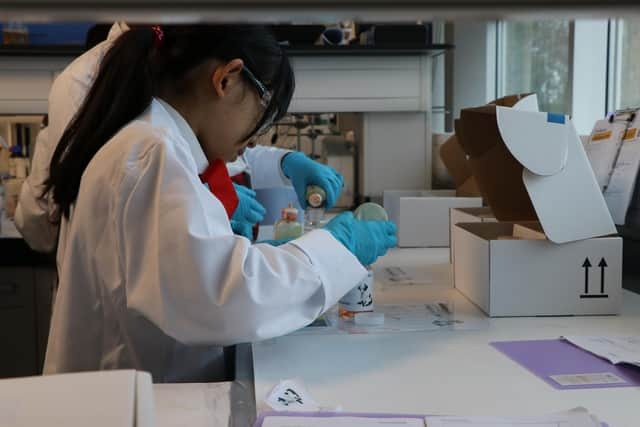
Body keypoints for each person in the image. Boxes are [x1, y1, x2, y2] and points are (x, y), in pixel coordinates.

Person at [42, 24, 397, 382]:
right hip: (128, 405)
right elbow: (228, 300)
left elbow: (203, 276)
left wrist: (257, 255)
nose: (257, 141)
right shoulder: (153, 153)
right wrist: (337, 249)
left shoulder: (151, 139)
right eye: (263, 118)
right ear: (227, 80)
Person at [15, 22, 343, 251]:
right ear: (228, 79)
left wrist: (284, 162)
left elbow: (202, 144)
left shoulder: (175, 78)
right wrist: (205, 202)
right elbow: (122, 194)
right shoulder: (88, 82)